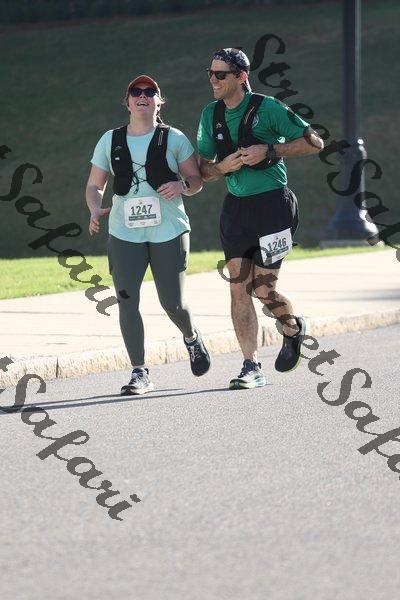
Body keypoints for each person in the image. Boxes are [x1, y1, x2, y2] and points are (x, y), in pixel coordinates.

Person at [197, 48, 324, 390]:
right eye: (210, 73)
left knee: (263, 290)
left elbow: (315, 142)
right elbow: (203, 169)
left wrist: (269, 150)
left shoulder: (268, 108)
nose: (213, 80)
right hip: (236, 209)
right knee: (238, 288)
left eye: (220, 74)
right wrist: (221, 167)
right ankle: (251, 366)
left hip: (273, 207)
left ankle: (292, 328)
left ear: (241, 77)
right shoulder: (210, 114)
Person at [86, 74, 210, 395]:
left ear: (159, 102)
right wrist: (95, 208)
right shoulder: (110, 140)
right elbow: (95, 185)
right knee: (127, 301)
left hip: (168, 230)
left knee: (173, 304)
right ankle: (139, 372)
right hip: (124, 233)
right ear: (127, 102)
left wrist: (180, 185)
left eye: (150, 91)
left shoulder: (174, 138)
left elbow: (196, 180)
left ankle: (191, 337)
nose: (143, 95)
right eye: (136, 92)